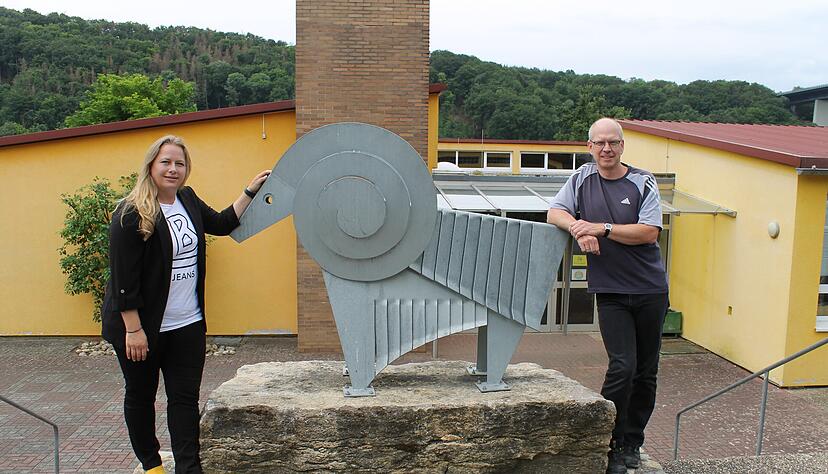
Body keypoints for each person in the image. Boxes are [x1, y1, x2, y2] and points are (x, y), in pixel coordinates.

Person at [101, 135, 270, 474]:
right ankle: (152, 465)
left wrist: (249, 191)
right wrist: (133, 330)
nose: (173, 169)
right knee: (140, 396)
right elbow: (123, 280)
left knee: (184, 401)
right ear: (151, 165)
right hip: (141, 330)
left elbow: (222, 224)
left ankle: (188, 468)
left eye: (179, 163)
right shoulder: (131, 213)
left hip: (187, 326)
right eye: (166, 162)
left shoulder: (188, 200)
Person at [547, 118, 669, 474]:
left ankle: (630, 443)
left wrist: (601, 228)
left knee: (646, 372)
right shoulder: (580, 179)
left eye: (613, 143)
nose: (606, 149)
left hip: (649, 290)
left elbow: (648, 233)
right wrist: (576, 227)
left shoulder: (643, 181)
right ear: (589, 146)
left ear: (622, 145)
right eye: (599, 143)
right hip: (612, 292)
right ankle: (608, 440)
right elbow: (554, 211)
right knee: (622, 366)